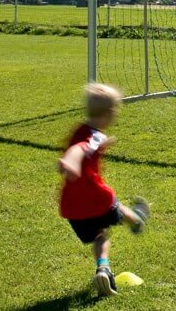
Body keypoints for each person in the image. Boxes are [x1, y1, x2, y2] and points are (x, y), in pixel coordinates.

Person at [58, 83, 150, 298]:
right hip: (96, 199)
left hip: (73, 208)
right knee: (115, 206)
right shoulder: (94, 136)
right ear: (109, 113)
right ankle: (137, 220)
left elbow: (78, 145)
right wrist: (70, 161)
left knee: (99, 235)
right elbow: (79, 149)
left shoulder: (79, 130)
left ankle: (103, 268)